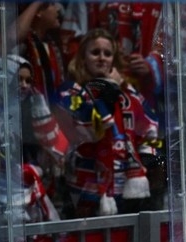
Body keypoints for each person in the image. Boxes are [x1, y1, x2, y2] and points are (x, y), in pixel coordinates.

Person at [53, 28, 159, 217]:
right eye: (95, 53)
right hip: (84, 191)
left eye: (107, 54)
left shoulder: (130, 93)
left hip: (126, 191)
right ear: (83, 58)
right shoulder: (71, 92)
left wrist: (146, 161)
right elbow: (91, 130)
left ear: (114, 59)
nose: (102, 58)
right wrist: (110, 88)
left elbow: (150, 130)